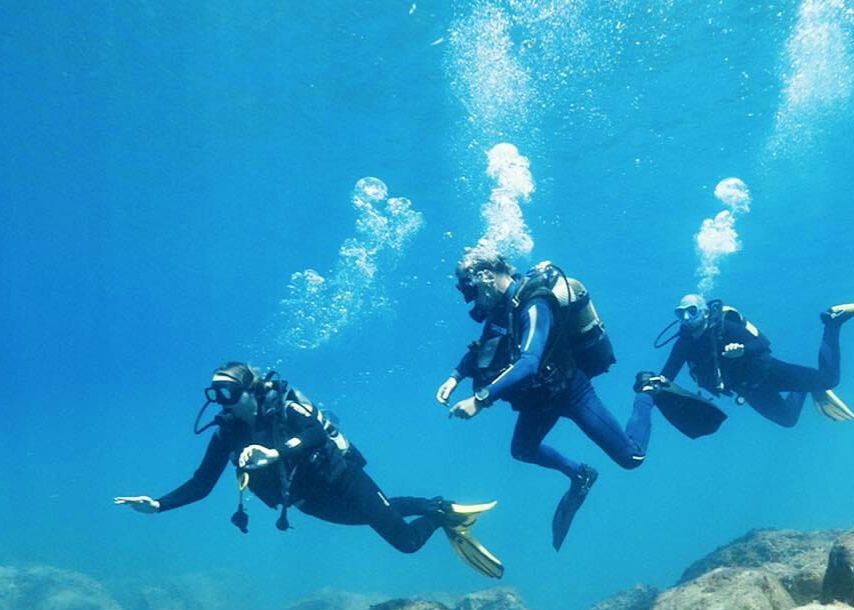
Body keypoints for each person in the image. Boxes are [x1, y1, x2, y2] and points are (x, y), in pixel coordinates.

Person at [115, 361, 504, 578]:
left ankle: (439, 514)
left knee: (405, 542)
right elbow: (202, 484)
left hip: (343, 480)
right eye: (215, 395)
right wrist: (159, 505)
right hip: (309, 502)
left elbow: (317, 434)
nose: (222, 403)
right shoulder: (227, 434)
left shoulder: (283, 409)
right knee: (372, 516)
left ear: (250, 390)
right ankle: (434, 503)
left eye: (229, 393)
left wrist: (273, 454)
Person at [436, 248, 652, 550]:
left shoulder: (534, 302)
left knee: (631, 458)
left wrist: (480, 400)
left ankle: (648, 392)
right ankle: (581, 475)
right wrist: (455, 376)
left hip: (570, 391)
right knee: (522, 451)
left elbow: (529, 362)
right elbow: (483, 347)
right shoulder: (500, 308)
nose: (469, 299)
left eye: (468, 289)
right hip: (538, 400)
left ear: (485, 276)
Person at [637, 279, 854, 432]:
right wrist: (652, 385)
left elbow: (763, 344)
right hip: (749, 391)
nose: (686, 318)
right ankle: (807, 389)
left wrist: (742, 350)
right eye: (680, 313)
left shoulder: (726, 328)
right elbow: (669, 373)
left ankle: (834, 321)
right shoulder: (684, 343)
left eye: (692, 311)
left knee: (830, 379)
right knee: (788, 421)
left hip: (769, 371)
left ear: (702, 310)